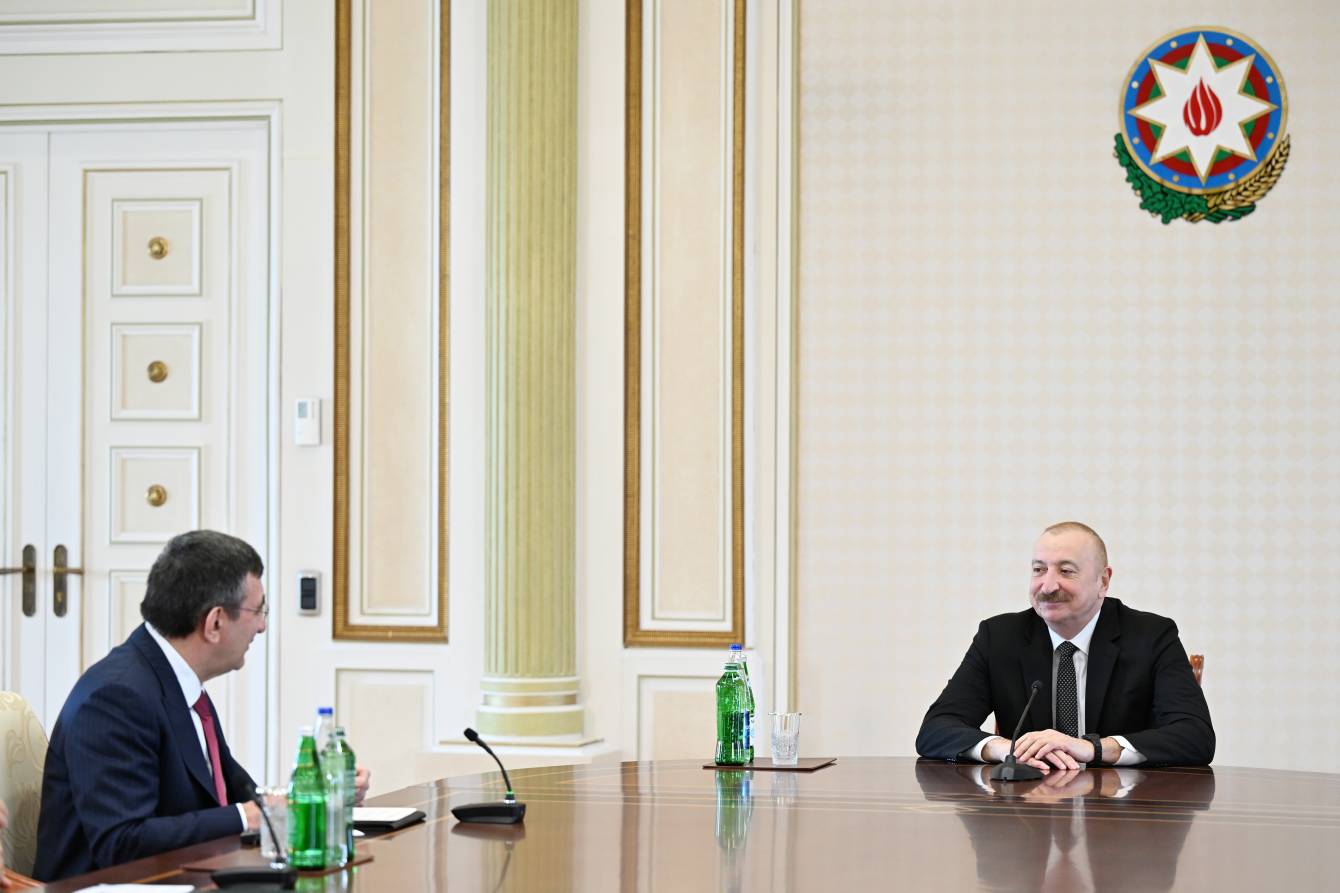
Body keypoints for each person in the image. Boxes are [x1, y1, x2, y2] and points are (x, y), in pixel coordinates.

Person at [33, 530, 371, 882]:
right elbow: (123, 843)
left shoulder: (178, 683)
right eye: (258, 611)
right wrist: (248, 817)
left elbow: (240, 794)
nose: (262, 626)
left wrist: (319, 795)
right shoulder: (115, 698)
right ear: (215, 623)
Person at [916, 521, 1213, 770]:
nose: (1048, 586)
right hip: (1026, 810)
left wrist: (1094, 748)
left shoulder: (1151, 636)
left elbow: (1195, 736)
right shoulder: (999, 637)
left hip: (1122, 808)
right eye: (1039, 570)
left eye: (1066, 571)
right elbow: (936, 729)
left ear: (1103, 581)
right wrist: (1009, 749)